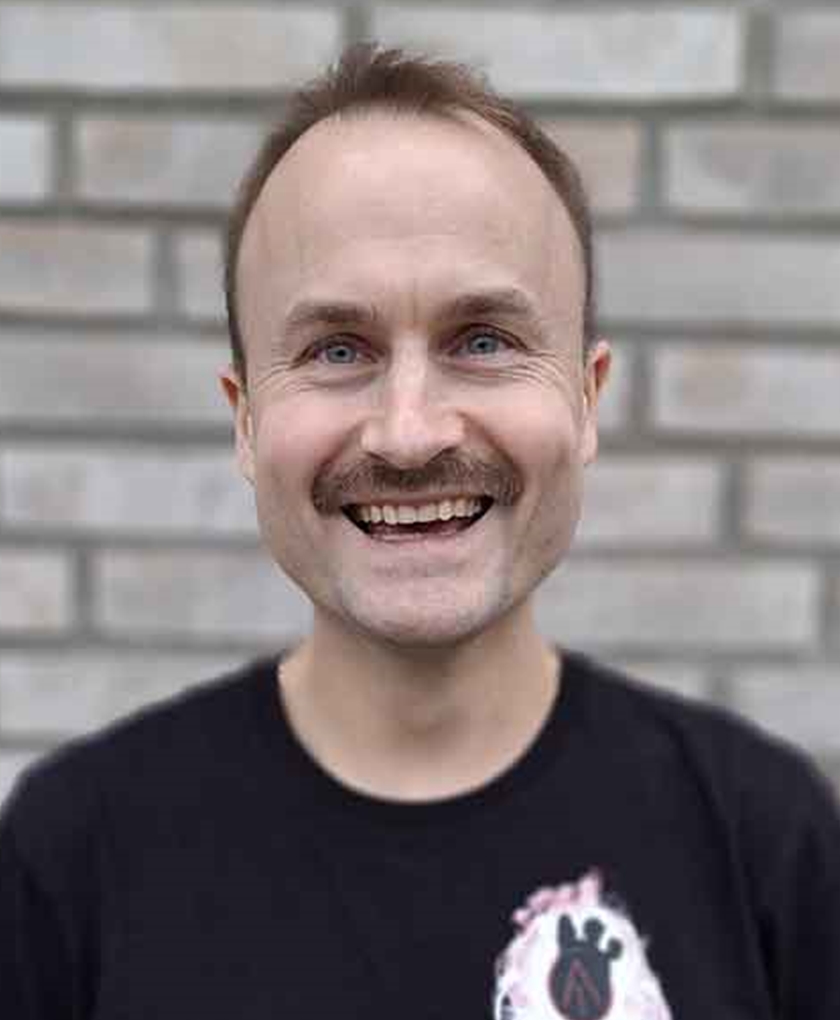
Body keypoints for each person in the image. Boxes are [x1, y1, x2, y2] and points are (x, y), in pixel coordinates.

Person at [1, 44, 838, 1020]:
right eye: (336, 350)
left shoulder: (765, 844)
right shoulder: (71, 859)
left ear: (587, 398)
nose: (409, 434)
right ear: (245, 421)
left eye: (482, 341)